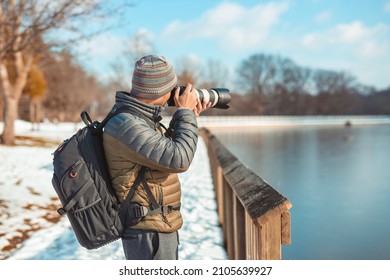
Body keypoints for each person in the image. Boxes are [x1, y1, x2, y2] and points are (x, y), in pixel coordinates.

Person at [103, 54, 211, 260]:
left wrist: (188, 116)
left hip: (156, 226)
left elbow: (159, 153)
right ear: (160, 90)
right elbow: (179, 159)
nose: (176, 92)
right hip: (149, 232)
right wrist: (185, 112)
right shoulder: (127, 124)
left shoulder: (137, 118)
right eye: (173, 87)